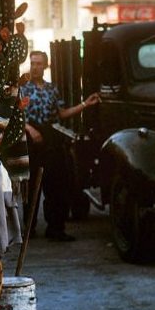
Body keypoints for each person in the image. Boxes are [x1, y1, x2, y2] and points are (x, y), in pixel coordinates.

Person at [20, 50, 99, 241]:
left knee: (56, 184)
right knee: (31, 188)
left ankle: (56, 228)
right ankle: (29, 229)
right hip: (31, 140)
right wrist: (30, 130)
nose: (35, 67)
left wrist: (85, 105)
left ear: (45, 66)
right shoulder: (23, 90)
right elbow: (17, 117)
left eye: (39, 64)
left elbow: (62, 113)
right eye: (32, 63)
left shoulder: (51, 89)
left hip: (50, 137)